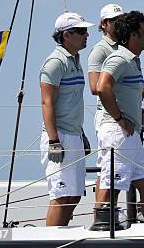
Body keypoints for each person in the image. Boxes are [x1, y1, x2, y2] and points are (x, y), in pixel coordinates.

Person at [96, 11, 144, 223]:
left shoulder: (133, 61)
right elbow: (102, 87)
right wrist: (119, 118)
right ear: (133, 36)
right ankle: (102, 232)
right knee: (111, 189)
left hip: (129, 134)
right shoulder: (119, 58)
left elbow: (125, 94)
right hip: (119, 133)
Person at [40, 12, 94, 226]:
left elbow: (71, 102)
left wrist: (81, 135)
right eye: (81, 31)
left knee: (74, 195)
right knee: (61, 197)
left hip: (74, 135)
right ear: (66, 35)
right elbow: (47, 103)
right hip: (59, 137)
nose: (87, 34)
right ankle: (51, 242)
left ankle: (60, 236)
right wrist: (54, 141)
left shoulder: (75, 59)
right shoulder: (55, 62)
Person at [87, 3, 125, 208]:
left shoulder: (121, 48)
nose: (119, 24)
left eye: (121, 20)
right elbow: (95, 87)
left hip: (120, 116)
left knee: (116, 174)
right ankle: (101, 219)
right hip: (109, 118)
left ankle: (109, 217)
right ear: (104, 24)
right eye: (115, 21)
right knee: (109, 172)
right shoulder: (100, 50)